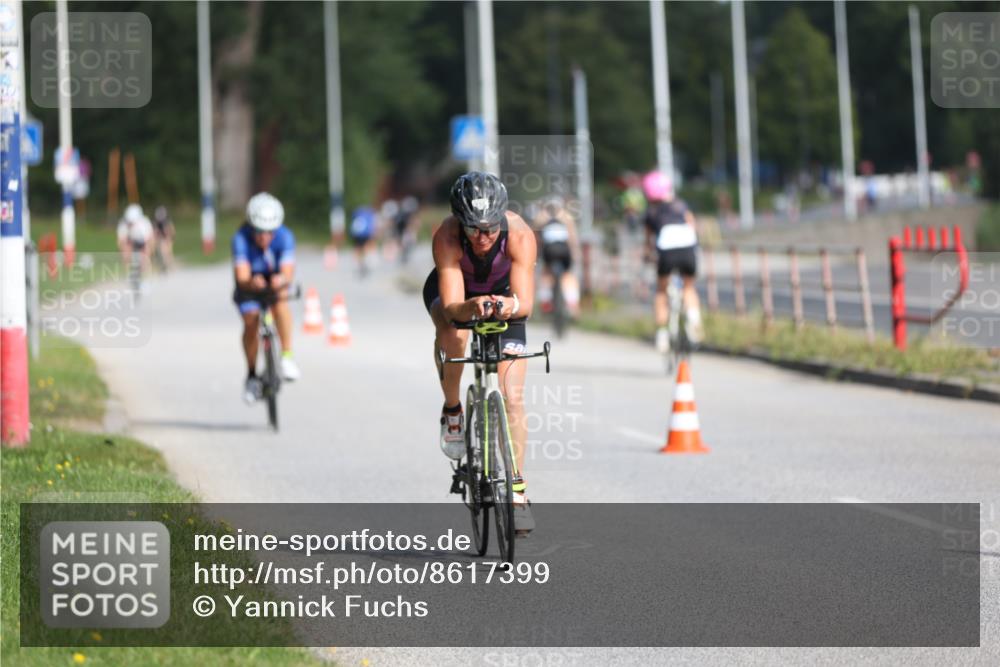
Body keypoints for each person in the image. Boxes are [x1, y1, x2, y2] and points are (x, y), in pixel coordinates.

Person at [423, 172, 537, 533]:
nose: (482, 237)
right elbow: (453, 307)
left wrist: (507, 305)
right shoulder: (447, 236)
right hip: (457, 295)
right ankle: (453, 410)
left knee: (512, 397)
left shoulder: (520, 235)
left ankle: (517, 491)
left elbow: (526, 304)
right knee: (453, 333)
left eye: (489, 228)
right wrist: (471, 307)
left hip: (504, 295)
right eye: (473, 228)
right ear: (460, 221)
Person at [232, 192, 300, 404]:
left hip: (274, 283)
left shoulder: (285, 237)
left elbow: (288, 272)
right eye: (258, 231)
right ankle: (251, 375)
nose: (264, 237)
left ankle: (286, 356)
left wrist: (282, 280)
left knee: (281, 301)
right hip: (250, 284)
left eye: (269, 232)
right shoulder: (240, 238)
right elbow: (242, 275)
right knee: (251, 320)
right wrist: (251, 283)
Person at [642, 170, 704, 352]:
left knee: (661, 292)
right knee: (689, 287)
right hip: (688, 248)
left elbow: (648, 242)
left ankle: (662, 334)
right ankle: (694, 321)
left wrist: (647, 256)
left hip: (666, 252)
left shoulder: (651, 213)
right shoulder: (681, 205)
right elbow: (693, 226)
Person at [531, 196, 581, 317]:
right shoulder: (566, 217)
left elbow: (536, 239)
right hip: (564, 250)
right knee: (568, 275)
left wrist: (536, 255)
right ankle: (572, 304)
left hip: (549, 251)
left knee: (546, 274)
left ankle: (545, 302)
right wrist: (575, 254)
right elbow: (572, 238)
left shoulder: (540, 217)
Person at [116, 203, 155, 275]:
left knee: (145, 255)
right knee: (125, 252)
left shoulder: (144, 223)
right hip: (130, 241)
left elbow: (149, 239)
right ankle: (128, 273)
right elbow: (121, 241)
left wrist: (149, 252)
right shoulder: (123, 224)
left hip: (142, 240)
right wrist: (124, 254)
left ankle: (147, 273)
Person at [349, 205, 378, 277]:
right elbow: (371, 225)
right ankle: (365, 262)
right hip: (365, 233)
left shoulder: (357, 213)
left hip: (356, 233)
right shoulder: (369, 214)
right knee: (366, 248)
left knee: (357, 248)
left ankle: (358, 264)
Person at [152, 205, 176, 271]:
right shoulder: (156, 222)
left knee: (168, 251)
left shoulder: (167, 221)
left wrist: (170, 239)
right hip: (160, 236)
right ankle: (162, 264)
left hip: (167, 236)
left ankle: (169, 264)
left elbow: (171, 231)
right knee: (161, 250)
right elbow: (155, 232)